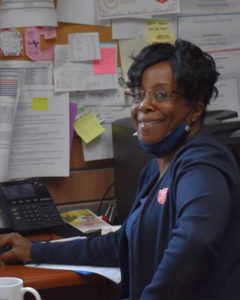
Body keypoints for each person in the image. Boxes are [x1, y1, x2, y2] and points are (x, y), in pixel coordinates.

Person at [1, 39, 240, 299]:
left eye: (161, 94)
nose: (143, 106)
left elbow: (195, 241)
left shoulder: (202, 165)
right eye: (139, 94)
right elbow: (124, 244)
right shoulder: (154, 169)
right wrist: (36, 251)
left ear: (195, 110)